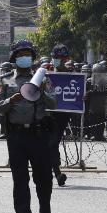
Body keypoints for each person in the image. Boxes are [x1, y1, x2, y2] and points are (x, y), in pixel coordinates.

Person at [0, 39, 55, 213]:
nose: (24, 58)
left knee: (44, 179)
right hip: (17, 136)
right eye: (20, 55)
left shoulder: (42, 78)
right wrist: (12, 100)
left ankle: (45, 212)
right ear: (14, 58)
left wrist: (42, 91)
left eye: (27, 54)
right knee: (20, 181)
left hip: (39, 135)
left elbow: (54, 103)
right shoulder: (5, 80)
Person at [48, 44, 71, 186]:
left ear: (66, 59)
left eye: (61, 58)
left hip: (62, 114)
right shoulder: (46, 73)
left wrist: (82, 97)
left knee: (53, 142)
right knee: (50, 143)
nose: (58, 60)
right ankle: (56, 172)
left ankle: (55, 171)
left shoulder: (72, 75)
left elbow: (76, 94)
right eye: (56, 58)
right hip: (47, 114)